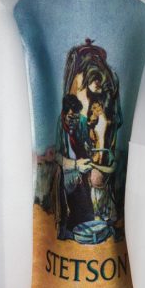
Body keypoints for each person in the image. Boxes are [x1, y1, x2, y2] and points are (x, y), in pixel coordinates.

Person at [53, 94, 94, 239]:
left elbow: (89, 146)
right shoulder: (59, 124)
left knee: (88, 216)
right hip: (67, 170)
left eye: (76, 118)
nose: (74, 122)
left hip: (82, 169)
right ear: (64, 114)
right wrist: (75, 166)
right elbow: (56, 156)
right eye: (71, 118)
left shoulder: (82, 121)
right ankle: (65, 227)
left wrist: (89, 150)